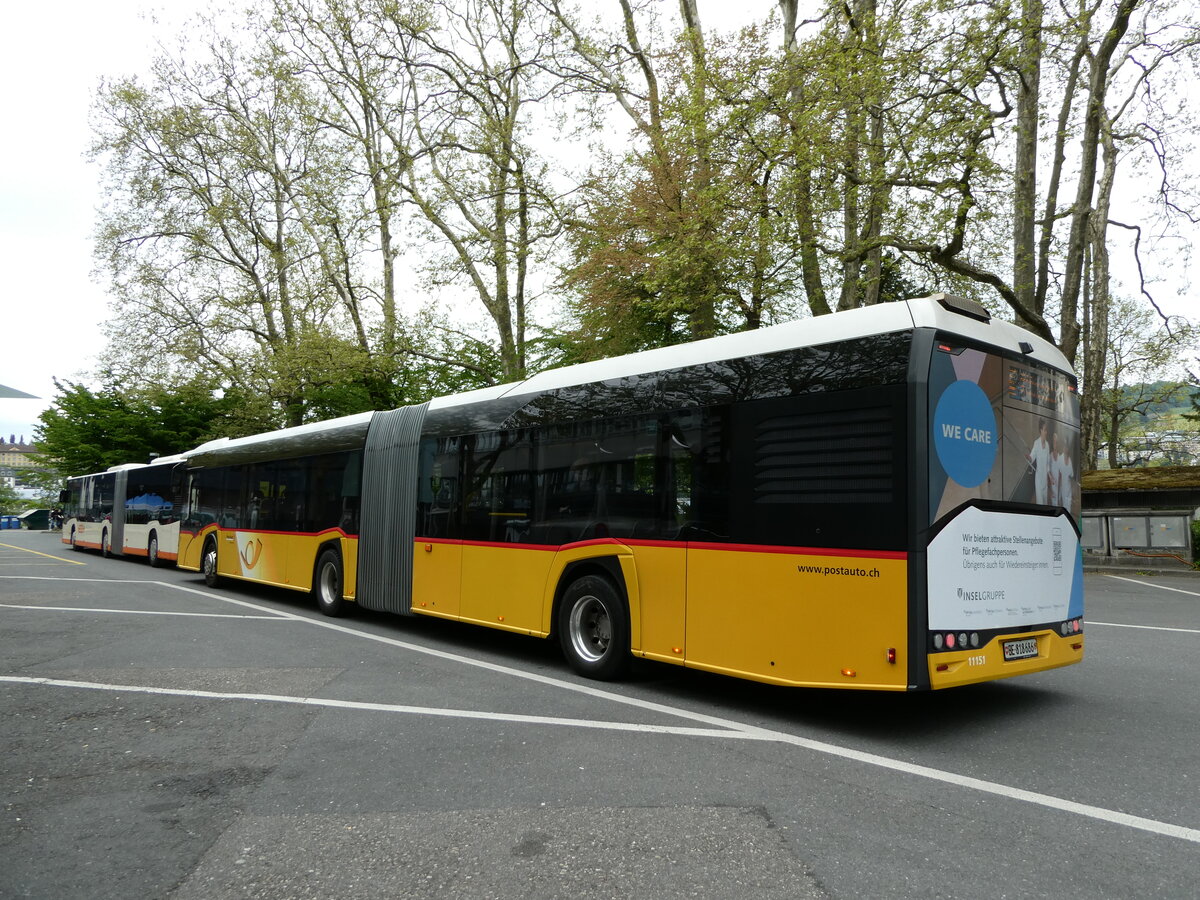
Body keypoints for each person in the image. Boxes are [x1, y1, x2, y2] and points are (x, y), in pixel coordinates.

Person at [1028, 419, 1052, 504]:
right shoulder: (1036, 443)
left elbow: (1048, 463)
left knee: (1045, 502)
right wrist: (1029, 458)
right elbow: (1032, 456)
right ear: (1041, 430)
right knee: (1040, 502)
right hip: (1038, 479)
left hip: (1045, 479)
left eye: (1046, 430)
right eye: (1045, 430)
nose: (1046, 432)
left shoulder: (1047, 445)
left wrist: (1050, 477)